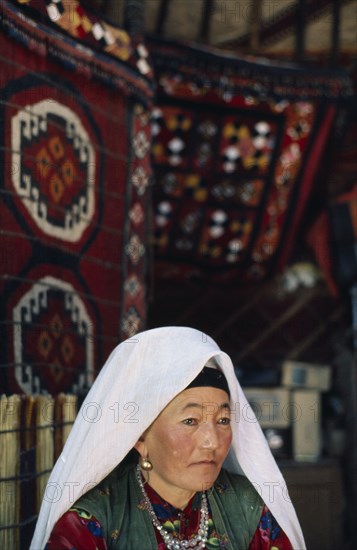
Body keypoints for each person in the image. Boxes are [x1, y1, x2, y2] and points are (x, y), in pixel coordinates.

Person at [31, 326, 305, 549]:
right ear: (140, 438)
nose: (211, 441)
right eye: (190, 421)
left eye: (223, 420)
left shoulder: (249, 506)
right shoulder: (92, 522)